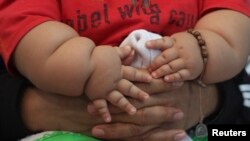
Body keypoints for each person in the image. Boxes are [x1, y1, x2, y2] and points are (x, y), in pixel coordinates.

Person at [0, 0, 250, 141]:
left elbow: (231, 33)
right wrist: (87, 67)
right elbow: (32, 38)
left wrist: (202, 47)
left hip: (192, 129)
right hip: (71, 130)